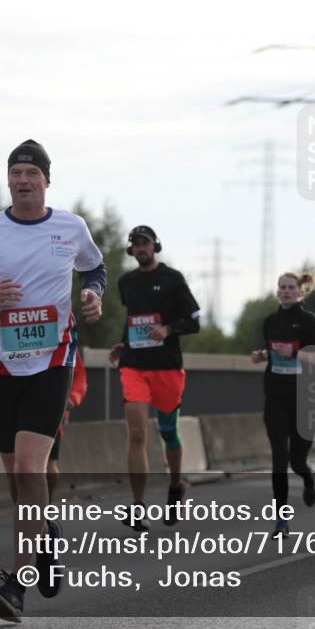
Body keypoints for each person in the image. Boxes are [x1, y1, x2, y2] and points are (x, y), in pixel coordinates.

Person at [0, 138, 106, 622]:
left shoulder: (70, 227)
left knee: (32, 469)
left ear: (46, 181)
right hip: (0, 366)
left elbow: (95, 267)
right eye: (16, 172)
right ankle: (46, 537)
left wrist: (93, 293)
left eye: (32, 172)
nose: (23, 180)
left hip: (53, 362)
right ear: (8, 181)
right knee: (18, 478)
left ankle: (16, 585)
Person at [108, 226, 200, 531]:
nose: (140, 248)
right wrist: (124, 343)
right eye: (135, 244)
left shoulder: (173, 279)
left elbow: (194, 322)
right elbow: (134, 319)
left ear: (155, 246)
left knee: (168, 432)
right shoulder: (127, 282)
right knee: (136, 434)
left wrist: (169, 329)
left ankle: (175, 487)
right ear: (131, 250)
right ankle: (138, 506)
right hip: (134, 365)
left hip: (166, 367)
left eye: (145, 243)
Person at [251, 271, 315, 538]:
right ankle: (281, 520)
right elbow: (274, 352)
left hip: (304, 399)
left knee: (297, 461)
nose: (285, 291)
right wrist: (262, 355)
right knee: (279, 459)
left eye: (290, 287)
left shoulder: (308, 321)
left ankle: (308, 478)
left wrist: (296, 354)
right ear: (277, 291)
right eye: (282, 287)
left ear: (299, 292)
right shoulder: (270, 322)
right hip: (275, 397)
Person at [47, 349, 87, 503]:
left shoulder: (66, 345)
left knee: (49, 464)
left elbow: (80, 377)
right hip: (25, 409)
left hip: (54, 411)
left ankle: (48, 500)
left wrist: (72, 398)